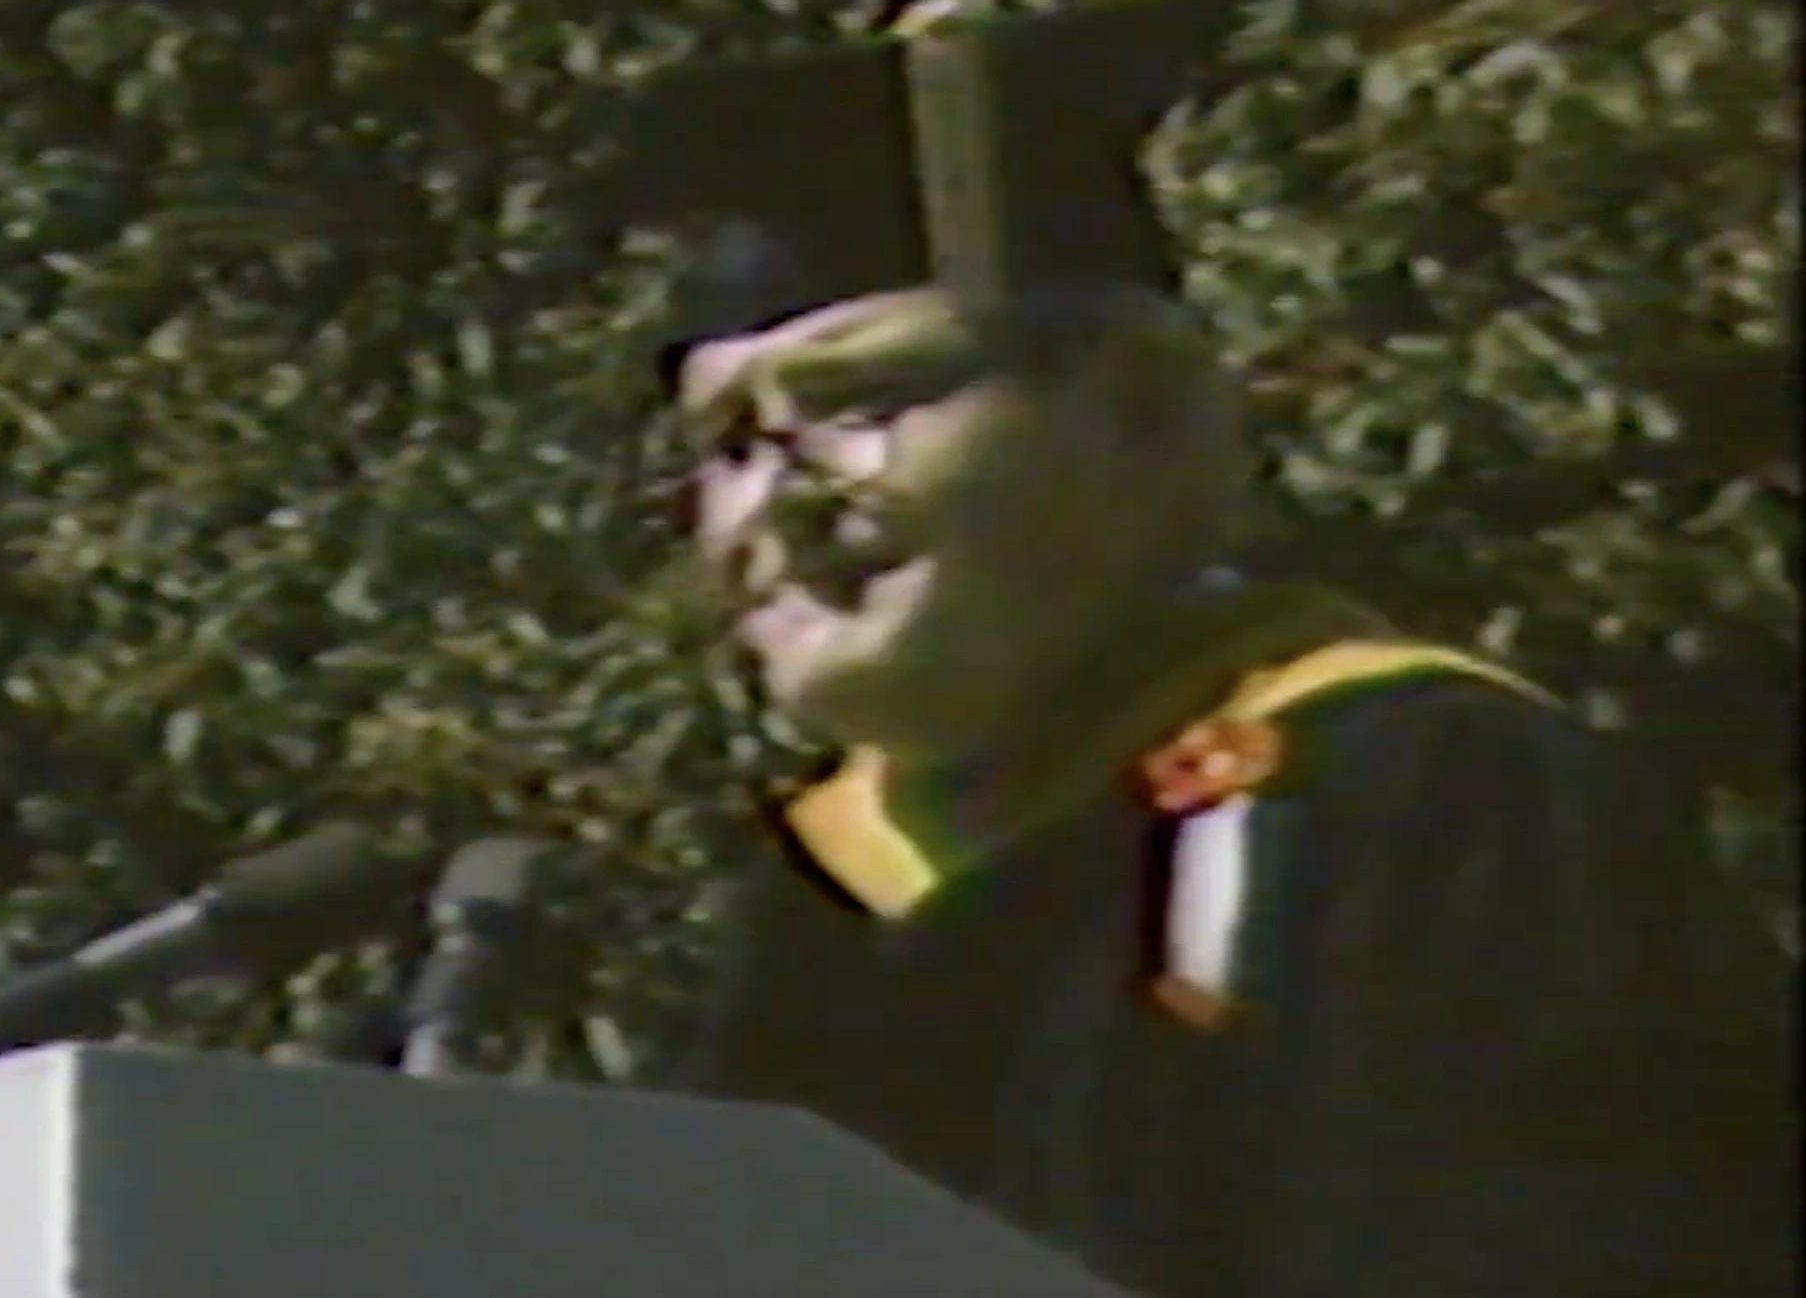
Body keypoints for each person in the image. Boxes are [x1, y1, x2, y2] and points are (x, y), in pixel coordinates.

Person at [666, 281, 1798, 1298]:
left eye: (863, 403)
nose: (779, 501)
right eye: (727, 444)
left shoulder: (1427, 799)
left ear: (1142, 422)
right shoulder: (804, 901)